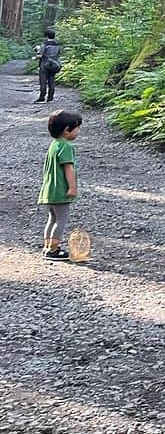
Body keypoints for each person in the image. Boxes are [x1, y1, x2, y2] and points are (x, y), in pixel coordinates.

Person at [38, 109, 82, 261]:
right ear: (66, 130)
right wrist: (72, 187)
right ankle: (54, 250)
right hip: (60, 191)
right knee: (61, 221)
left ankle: (46, 247)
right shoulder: (66, 147)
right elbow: (68, 168)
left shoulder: (54, 145)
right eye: (77, 128)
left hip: (49, 191)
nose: (78, 131)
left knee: (52, 219)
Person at [34, 28, 62, 103]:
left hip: (44, 65)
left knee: (43, 82)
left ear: (46, 36)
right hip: (54, 65)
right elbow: (58, 55)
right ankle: (50, 98)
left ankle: (42, 97)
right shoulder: (57, 45)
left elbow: (40, 55)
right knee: (51, 82)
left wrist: (36, 55)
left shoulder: (44, 45)